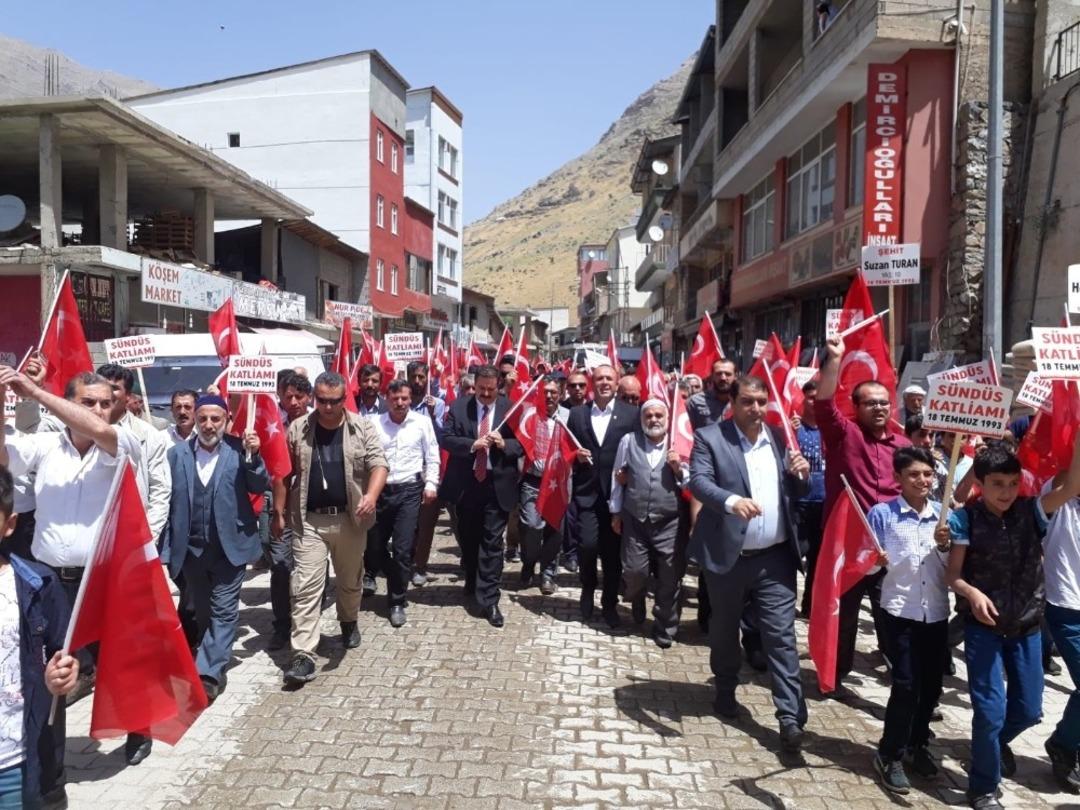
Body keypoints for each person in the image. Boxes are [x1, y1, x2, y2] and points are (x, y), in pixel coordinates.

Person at [0, 367, 144, 768]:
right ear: (69, 401)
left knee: (121, 660)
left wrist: (33, 391)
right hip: (50, 579)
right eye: (88, 402)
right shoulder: (45, 445)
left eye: (106, 402)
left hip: (103, 579)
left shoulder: (121, 442)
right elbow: (4, 456)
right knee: (52, 670)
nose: (99, 410)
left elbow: (99, 430)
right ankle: (50, 765)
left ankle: (136, 729)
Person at [942, 440, 1080, 809]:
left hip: (1027, 629)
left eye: (1012, 483)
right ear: (980, 485)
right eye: (997, 483)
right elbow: (952, 576)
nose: (1005, 492)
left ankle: (991, 743)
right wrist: (972, 593)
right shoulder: (965, 519)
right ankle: (983, 786)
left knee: (1030, 709)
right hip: (983, 629)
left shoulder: (1031, 512)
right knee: (989, 711)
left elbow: (1071, 487)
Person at [689, 375, 810, 752]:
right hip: (728, 557)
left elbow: (796, 492)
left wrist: (801, 475)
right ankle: (725, 687)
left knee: (781, 637)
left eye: (761, 401)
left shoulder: (779, 437)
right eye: (748, 402)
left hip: (774, 559)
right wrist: (730, 501)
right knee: (725, 631)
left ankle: (790, 718)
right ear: (733, 403)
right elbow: (698, 482)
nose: (756, 409)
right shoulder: (710, 437)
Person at [279, 372, 388, 686]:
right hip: (308, 520)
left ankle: (348, 620)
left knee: (350, 581)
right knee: (306, 587)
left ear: (344, 398)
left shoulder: (362, 427)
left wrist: (370, 495)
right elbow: (283, 475)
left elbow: (379, 464)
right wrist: (279, 512)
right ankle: (303, 654)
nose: (327, 407)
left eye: (334, 401)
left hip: (350, 520)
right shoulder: (298, 429)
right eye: (322, 400)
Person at [815, 335, 910, 688]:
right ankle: (834, 677)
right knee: (845, 617)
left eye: (884, 403)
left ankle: (906, 683)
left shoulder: (903, 446)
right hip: (849, 547)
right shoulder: (843, 435)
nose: (879, 409)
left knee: (894, 618)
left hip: (890, 550)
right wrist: (835, 360)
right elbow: (824, 403)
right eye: (870, 404)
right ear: (856, 407)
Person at [162, 395, 266, 703]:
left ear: (227, 420)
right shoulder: (175, 455)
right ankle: (211, 653)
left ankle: (207, 674)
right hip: (190, 551)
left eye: (216, 419)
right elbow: (165, 503)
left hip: (229, 549)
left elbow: (259, 485)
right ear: (195, 418)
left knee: (224, 610)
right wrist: (165, 549)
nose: (209, 425)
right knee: (204, 611)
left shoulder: (239, 450)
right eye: (203, 418)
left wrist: (254, 455)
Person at [867, 447, 949, 795]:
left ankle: (917, 745)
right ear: (898, 478)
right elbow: (866, 566)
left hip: (936, 612)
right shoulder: (882, 515)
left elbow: (955, 568)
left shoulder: (945, 519)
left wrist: (946, 546)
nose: (922, 481)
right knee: (906, 685)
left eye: (928, 474)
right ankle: (890, 754)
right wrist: (873, 558)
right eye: (914, 474)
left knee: (931, 686)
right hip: (898, 611)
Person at [0, 467, 81, 809]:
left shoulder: (38, 585)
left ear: (10, 524)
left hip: (15, 765)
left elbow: (63, 659)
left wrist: (62, 676)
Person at [438, 365, 523, 627]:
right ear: (474, 385)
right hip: (467, 485)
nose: (486, 394)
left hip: (496, 485)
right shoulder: (459, 407)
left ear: (499, 385)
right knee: (469, 538)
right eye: (481, 389)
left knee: (492, 543)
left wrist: (503, 444)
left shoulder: (512, 408)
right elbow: (446, 439)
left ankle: (490, 599)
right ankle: (472, 579)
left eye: (491, 389)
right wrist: (471, 445)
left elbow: (522, 443)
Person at [610, 399, 687, 648]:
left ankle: (665, 626)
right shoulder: (628, 441)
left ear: (667, 418)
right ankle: (637, 596)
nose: (653, 420)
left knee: (669, 576)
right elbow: (617, 477)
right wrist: (616, 511)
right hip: (635, 519)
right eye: (649, 416)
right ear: (642, 419)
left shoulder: (680, 444)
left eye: (658, 415)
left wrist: (679, 471)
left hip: (669, 521)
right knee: (634, 571)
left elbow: (694, 484)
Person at [566, 364, 638, 626]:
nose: (604, 383)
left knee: (611, 553)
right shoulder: (577, 414)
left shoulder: (631, 414)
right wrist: (575, 455)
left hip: (617, 497)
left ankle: (609, 603)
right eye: (599, 379)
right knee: (587, 546)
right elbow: (567, 451)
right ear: (591, 383)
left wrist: (629, 474)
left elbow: (638, 451)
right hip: (587, 494)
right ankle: (588, 586)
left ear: (617, 383)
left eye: (609, 378)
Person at [369, 380, 440, 627]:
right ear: (386, 398)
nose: (400, 403)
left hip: (409, 491)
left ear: (411, 400)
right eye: (395, 398)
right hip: (379, 492)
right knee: (373, 548)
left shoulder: (422, 423)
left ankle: (397, 600)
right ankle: (396, 575)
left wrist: (431, 484)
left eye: (405, 399)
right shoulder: (373, 424)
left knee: (402, 550)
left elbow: (432, 455)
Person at [1041, 440, 1080, 794]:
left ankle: (1067, 741)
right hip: (1066, 607)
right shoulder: (1060, 498)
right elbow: (1069, 483)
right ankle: (1063, 745)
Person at [264, 373, 312, 651]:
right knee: (281, 566)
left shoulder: (319, 425)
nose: (293, 401)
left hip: (309, 507)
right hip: (278, 506)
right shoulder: (271, 425)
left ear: (308, 398)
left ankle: (307, 618)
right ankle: (282, 624)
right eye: (287, 396)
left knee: (309, 566)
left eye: (298, 396)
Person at [97, 364, 172, 541]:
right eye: (102, 386)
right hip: (87, 532)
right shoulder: (76, 429)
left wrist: (147, 539)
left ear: (128, 396)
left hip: (130, 536)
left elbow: (160, 489)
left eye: (114, 388)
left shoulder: (149, 435)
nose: (107, 393)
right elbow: (30, 429)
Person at [518, 377, 568, 595]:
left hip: (558, 484)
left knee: (554, 531)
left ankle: (548, 573)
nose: (548, 396)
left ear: (560, 394)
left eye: (553, 392)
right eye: (544, 391)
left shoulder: (568, 416)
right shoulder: (529, 413)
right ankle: (529, 561)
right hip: (532, 481)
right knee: (531, 527)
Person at [795, 380, 826, 617]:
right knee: (792, 557)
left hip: (825, 505)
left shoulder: (832, 429)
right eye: (811, 397)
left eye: (819, 397)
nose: (815, 402)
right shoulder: (792, 428)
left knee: (818, 562)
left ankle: (810, 607)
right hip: (797, 504)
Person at [686, 358, 736, 430]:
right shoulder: (694, 402)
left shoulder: (743, 402)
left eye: (728, 374)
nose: (723, 378)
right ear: (712, 376)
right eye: (718, 374)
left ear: (735, 376)